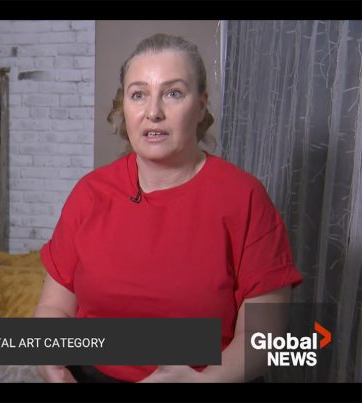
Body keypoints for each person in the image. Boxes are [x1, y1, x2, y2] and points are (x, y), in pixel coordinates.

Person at [34, 33, 303, 383]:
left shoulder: (245, 197)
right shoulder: (90, 193)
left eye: (173, 93)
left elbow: (263, 338)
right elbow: (54, 307)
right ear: (124, 107)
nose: (153, 112)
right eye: (138, 94)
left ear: (201, 106)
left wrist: (204, 382)